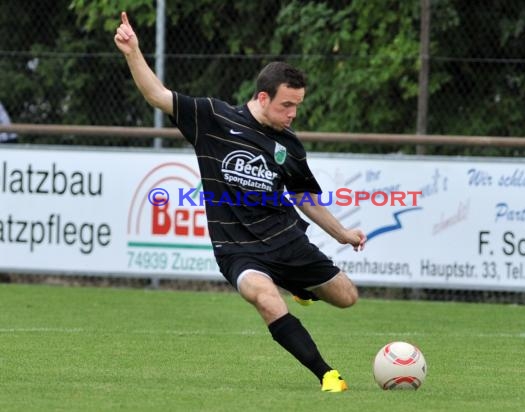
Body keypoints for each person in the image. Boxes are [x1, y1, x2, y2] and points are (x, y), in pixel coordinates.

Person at [114, 11, 366, 392]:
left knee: (347, 298)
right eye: (287, 105)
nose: (293, 113)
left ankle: (298, 286)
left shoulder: (288, 143)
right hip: (236, 248)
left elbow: (304, 197)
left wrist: (343, 232)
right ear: (263, 97)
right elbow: (156, 95)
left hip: (285, 239)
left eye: (298, 105)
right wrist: (133, 50)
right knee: (265, 298)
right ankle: (327, 374)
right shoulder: (213, 118)